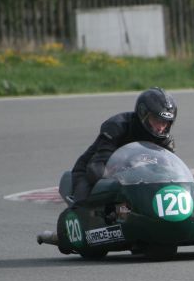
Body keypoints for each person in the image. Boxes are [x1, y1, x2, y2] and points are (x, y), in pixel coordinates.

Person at [37, 87, 177, 245]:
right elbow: (96, 167)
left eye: (165, 122)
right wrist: (120, 178)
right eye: (157, 120)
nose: (161, 127)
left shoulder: (164, 140)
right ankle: (67, 234)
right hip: (92, 170)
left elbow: (169, 171)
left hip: (136, 175)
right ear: (144, 115)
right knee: (85, 208)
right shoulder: (117, 126)